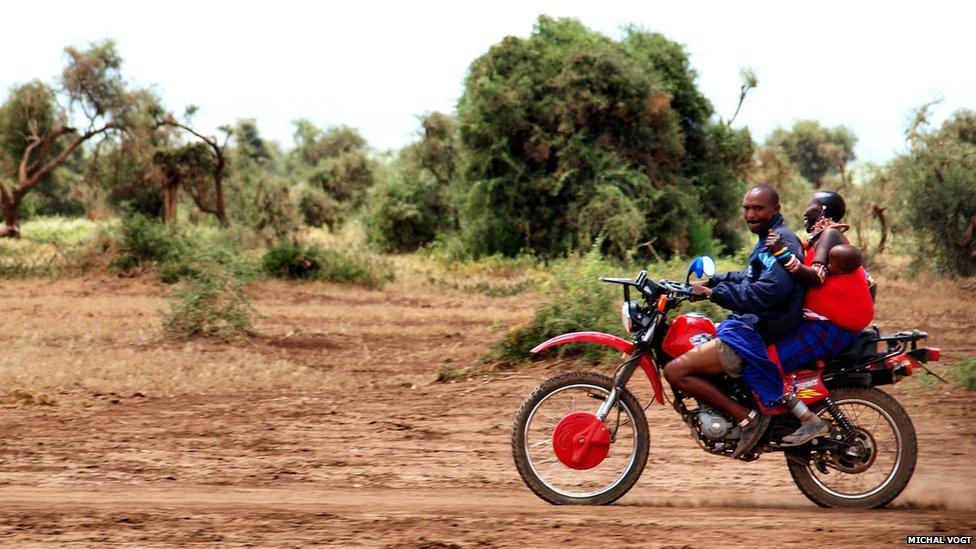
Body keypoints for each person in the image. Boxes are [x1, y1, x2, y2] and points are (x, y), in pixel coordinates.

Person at [663, 184, 805, 458]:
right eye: (747, 208)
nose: (750, 213)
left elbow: (769, 292)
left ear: (776, 210)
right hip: (758, 323)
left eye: (758, 208)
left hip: (763, 328)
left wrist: (715, 294)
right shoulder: (767, 239)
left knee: (675, 371)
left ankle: (748, 419)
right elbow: (750, 277)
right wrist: (714, 281)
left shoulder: (782, 242)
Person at [764, 191, 875, 445]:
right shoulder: (818, 240)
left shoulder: (830, 235)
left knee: (767, 363)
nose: (805, 211)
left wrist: (781, 253)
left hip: (826, 328)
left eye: (810, 206)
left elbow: (816, 277)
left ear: (823, 211)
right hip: (823, 324)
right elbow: (870, 283)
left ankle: (808, 420)